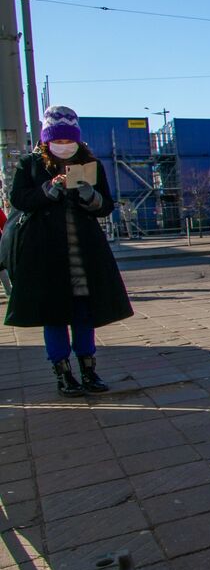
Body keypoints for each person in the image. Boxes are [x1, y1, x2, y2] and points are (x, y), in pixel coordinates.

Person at [4, 106, 133, 396]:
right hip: (45, 254)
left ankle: (89, 370)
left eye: (68, 140)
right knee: (54, 315)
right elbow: (20, 200)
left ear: (77, 138)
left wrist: (90, 195)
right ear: (47, 139)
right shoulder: (31, 164)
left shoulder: (91, 165)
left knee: (84, 315)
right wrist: (49, 190)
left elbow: (106, 206)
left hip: (84, 254)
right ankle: (63, 374)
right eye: (58, 140)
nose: (64, 145)